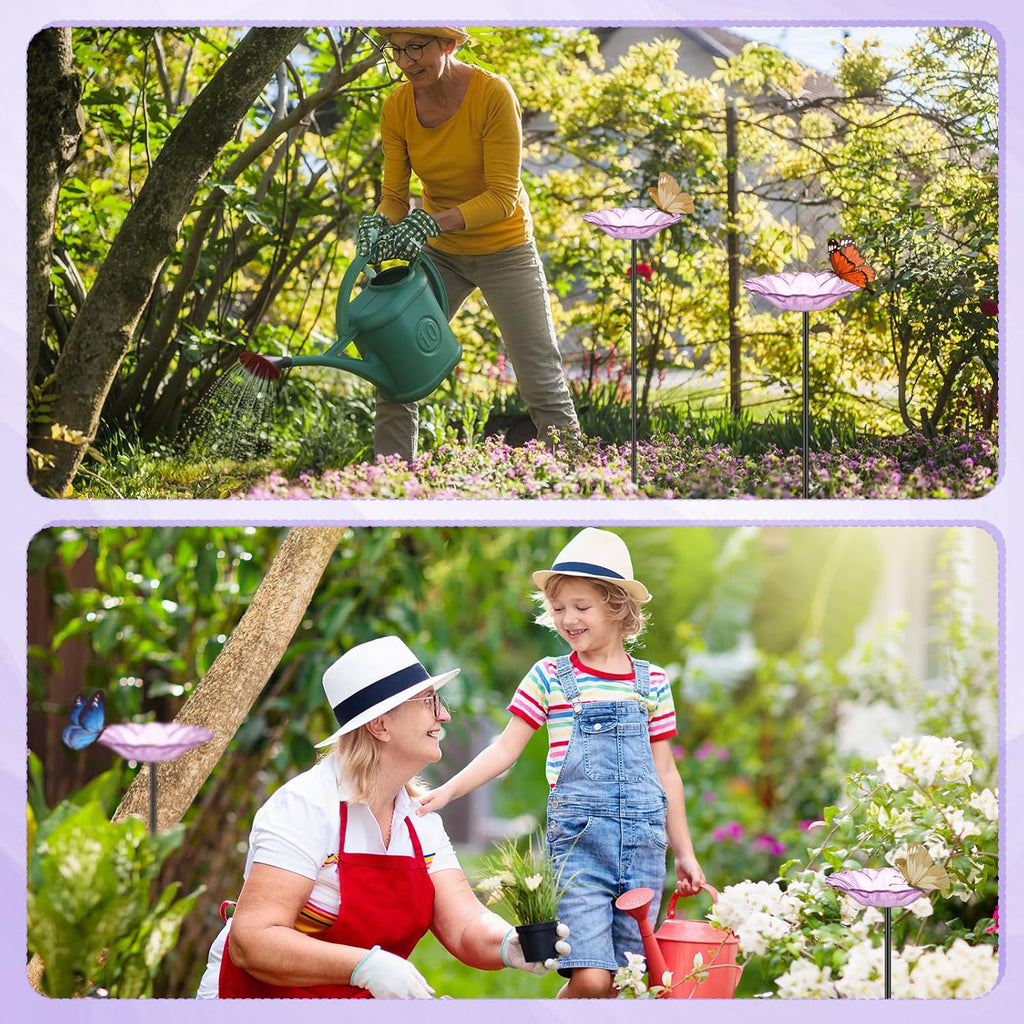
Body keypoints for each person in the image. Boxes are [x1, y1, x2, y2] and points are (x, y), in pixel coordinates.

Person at [417, 528, 705, 998]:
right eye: (558, 609)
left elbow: (665, 773)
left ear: (618, 608)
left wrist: (686, 853)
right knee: (592, 977)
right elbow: (504, 749)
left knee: (628, 983)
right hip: (580, 850)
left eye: (581, 607)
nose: (567, 618)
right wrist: (447, 791)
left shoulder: (652, 681)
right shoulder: (550, 676)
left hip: (644, 851)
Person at [197, 635, 569, 998]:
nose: (445, 715)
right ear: (380, 725)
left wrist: (509, 943)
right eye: (429, 701)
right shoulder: (305, 808)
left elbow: (464, 924)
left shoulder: (420, 820)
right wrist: (364, 966)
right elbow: (253, 940)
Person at [356, 26, 580, 461]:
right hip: (441, 256)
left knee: (540, 380)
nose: (405, 62)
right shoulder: (397, 107)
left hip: (506, 250)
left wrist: (428, 223)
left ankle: (585, 483)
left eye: (417, 48)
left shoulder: (492, 95)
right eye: (396, 50)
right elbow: (395, 198)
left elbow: (502, 197)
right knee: (396, 368)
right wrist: (378, 223)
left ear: (449, 44)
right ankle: (388, 490)